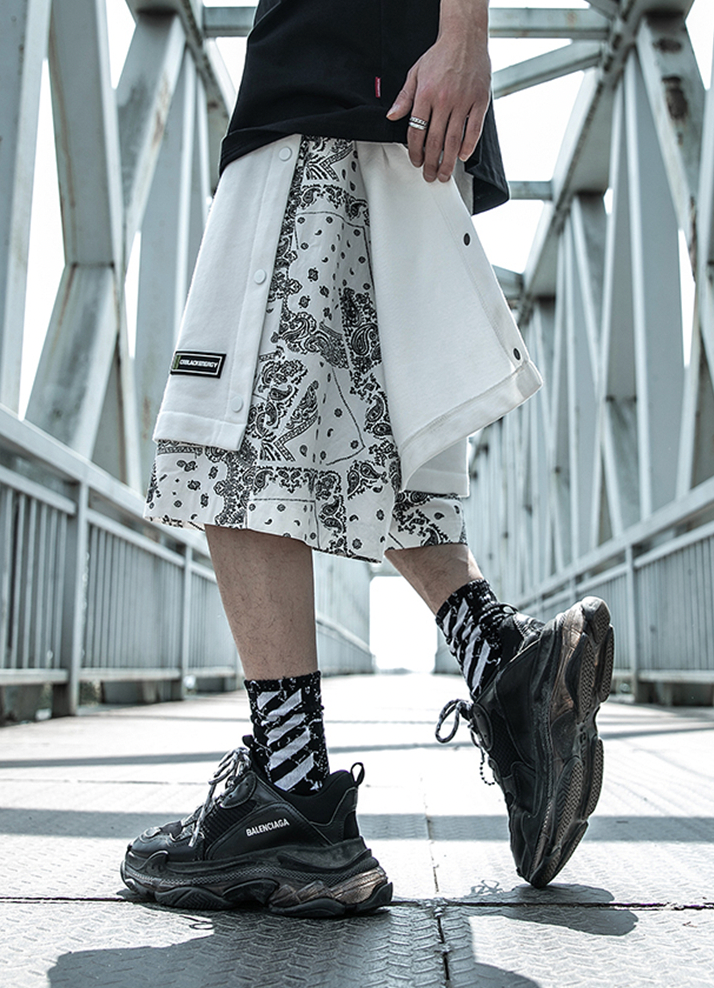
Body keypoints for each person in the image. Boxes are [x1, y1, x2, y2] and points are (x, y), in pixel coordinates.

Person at [121, 0, 614, 916]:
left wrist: (467, 32)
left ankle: (291, 796)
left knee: (234, 442)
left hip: (332, 84)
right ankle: (505, 668)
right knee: (374, 454)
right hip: (397, 99)